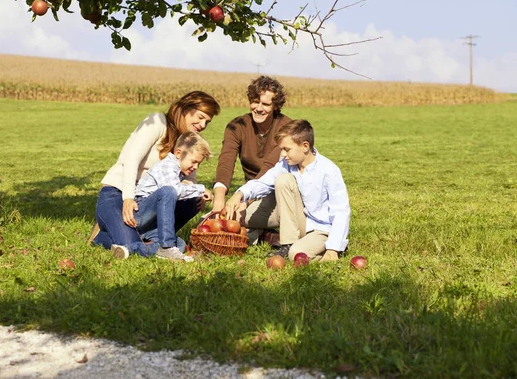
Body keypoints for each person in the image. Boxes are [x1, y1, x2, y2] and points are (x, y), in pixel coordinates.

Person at [89, 91, 221, 258]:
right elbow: (132, 158)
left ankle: (148, 238)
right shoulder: (158, 122)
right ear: (186, 108)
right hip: (119, 192)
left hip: (147, 203)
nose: (202, 125)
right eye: (201, 117)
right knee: (128, 244)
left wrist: (196, 194)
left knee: (193, 199)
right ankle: (102, 237)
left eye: (207, 122)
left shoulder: (189, 140)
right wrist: (128, 197)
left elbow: (189, 180)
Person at [224, 119, 350, 263]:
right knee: (282, 180)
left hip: (322, 229)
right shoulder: (286, 165)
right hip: (300, 222)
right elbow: (263, 182)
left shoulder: (328, 171)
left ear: (305, 146)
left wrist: (333, 247)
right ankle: (288, 243)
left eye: (287, 149)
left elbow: (341, 211)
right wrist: (239, 194)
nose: (283, 154)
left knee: (295, 255)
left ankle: (327, 252)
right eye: (281, 149)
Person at [109, 132, 214, 261]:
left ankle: (130, 248)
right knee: (169, 191)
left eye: (199, 164)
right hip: (140, 212)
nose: (196, 167)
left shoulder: (178, 171)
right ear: (178, 153)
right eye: (194, 162)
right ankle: (166, 246)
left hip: (153, 223)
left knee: (180, 245)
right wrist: (201, 189)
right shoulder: (168, 166)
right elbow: (174, 190)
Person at [211, 76, 292, 244]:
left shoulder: (286, 128)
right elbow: (226, 160)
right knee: (211, 220)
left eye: (266, 104)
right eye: (255, 102)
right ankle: (263, 234)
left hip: (275, 192)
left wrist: (245, 201)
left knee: (234, 220)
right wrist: (219, 197)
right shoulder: (237, 126)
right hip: (249, 192)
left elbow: (270, 167)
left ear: (275, 106)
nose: (259, 108)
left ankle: (254, 232)